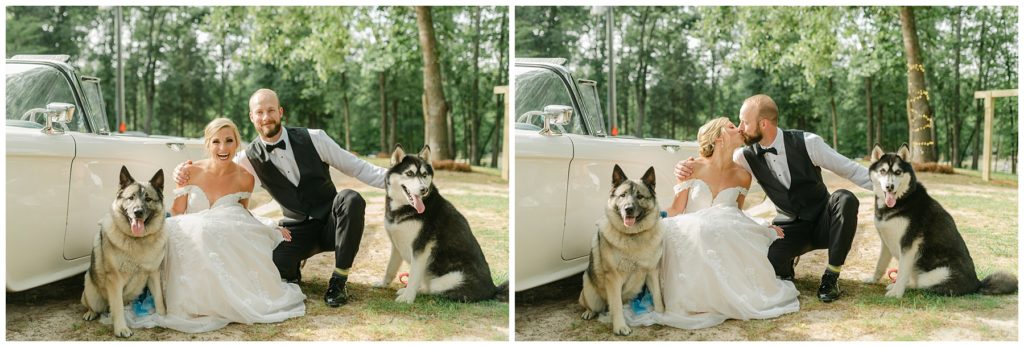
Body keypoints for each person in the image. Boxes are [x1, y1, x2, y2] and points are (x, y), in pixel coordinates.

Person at [175, 89, 386, 307]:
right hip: (296, 229)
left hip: (332, 223)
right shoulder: (247, 158)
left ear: (281, 112)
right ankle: (293, 265)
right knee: (272, 265)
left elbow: (359, 168)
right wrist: (183, 172)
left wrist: (400, 182)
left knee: (351, 199)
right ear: (252, 117)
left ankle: (339, 281)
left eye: (271, 111)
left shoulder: (314, 138)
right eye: (260, 112)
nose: (266, 117)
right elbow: (218, 170)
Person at [675, 95, 871, 302]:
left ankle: (831, 276)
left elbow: (852, 170)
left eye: (745, 122)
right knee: (769, 263)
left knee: (845, 199)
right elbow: (714, 163)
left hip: (825, 221)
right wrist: (684, 166)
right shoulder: (743, 156)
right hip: (790, 227)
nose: (740, 127)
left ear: (763, 124)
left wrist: (895, 193)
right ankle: (787, 263)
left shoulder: (808, 143)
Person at [627, 117, 799, 330]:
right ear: (719, 137)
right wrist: (649, 219)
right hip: (688, 229)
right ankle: (699, 298)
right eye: (731, 126)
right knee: (702, 227)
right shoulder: (692, 167)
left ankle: (726, 294)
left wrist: (761, 225)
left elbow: (736, 214)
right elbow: (676, 209)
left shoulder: (743, 175)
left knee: (720, 226)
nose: (739, 129)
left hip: (722, 230)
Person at [144, 118, 305, 333]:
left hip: (224, 233)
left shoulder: (245, 178)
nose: (223, 148)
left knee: (220, 230)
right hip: (190, 232)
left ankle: (226, 298)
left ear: (237, 143)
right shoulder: (190, 171)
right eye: (216, 142)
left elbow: (241, 215)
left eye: (229, 141)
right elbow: (177, 212)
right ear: (208, 144)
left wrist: (269, 226)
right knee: (200, 229)